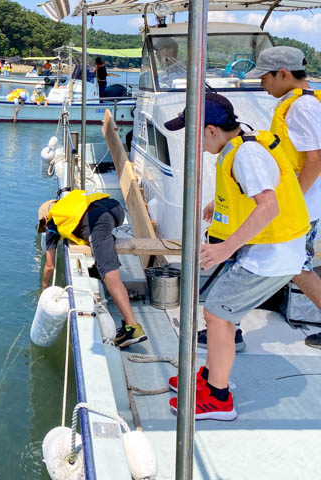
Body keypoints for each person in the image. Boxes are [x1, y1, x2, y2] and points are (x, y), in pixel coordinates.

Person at [164, 93, 309, 420]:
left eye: (194, 134)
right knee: (220, 314)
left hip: (271, 255)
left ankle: (218, 397)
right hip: (270, 250)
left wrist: (224, 248)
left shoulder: (247, 155)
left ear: (212, 130)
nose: (194, 144)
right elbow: (257, 189)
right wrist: (218, 205)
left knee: (218, 315)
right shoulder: (243, 141)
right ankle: (211, 376)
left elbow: (268, 205)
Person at [244, 46, 321, 349]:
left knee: (281, 261)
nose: (262, 84)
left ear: (284, 74)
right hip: (302, 203)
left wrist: (292, 200)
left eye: (264, 77)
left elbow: (315, 159)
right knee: (294, 264)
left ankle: (226, 323)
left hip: (301, 205)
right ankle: (227, 322)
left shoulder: (302, 107)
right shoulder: (300, 103)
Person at [37, 190, 147, 348]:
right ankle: (103, 244)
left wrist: (44, 289)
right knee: (101, 244)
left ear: (44, 217)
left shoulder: (52, 223)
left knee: (110, 273)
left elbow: (49, 266)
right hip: (115, 209)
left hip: (98, 221)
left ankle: (133, 328)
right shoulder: (70, 202)